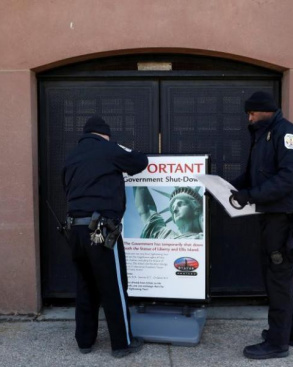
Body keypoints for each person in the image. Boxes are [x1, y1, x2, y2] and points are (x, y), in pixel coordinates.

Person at [230, 91, 293, 360]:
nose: (249, 118)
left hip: (285, 219)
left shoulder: (287, 135)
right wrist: (229, 187)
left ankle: (277, 344)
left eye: (252, 113)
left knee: (277, 279)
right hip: (271, 216)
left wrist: (250, 196)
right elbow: (254, 173)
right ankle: (292, 332)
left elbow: (288, 179)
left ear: (264, 111)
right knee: (279, 278)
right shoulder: (264, 135)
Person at [62, 115, 148, 358]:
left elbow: (66, 188)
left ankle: (84, 341)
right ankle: (122, 343)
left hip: (75, 231)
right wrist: (120, 147)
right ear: (105, 135)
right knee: (114, 286)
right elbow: (140, 161)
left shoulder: (71, 156)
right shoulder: (109, 150)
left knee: (85, 284)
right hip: (100, 229)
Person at [133, 186, 203, 239]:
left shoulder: (206, 237)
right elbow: (146, 211)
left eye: (180, 204)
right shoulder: (165, 236)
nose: (175, 210)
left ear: (196, 208)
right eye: (172, 209)